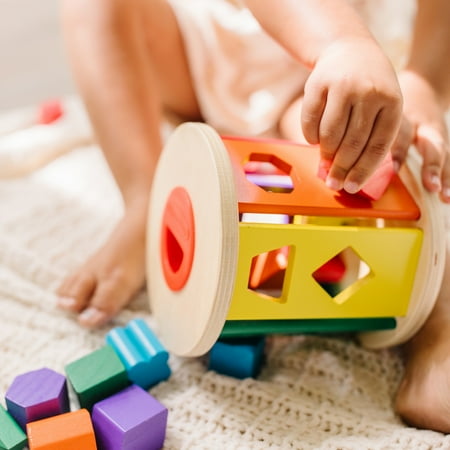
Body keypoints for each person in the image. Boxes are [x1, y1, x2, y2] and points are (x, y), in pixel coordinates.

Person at [58, 0, 450, 432]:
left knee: (386, 159)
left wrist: (425, 80)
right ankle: (143, 198)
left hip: (330, 79)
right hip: (206, 40)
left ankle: (440, 322)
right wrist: (341, 43)